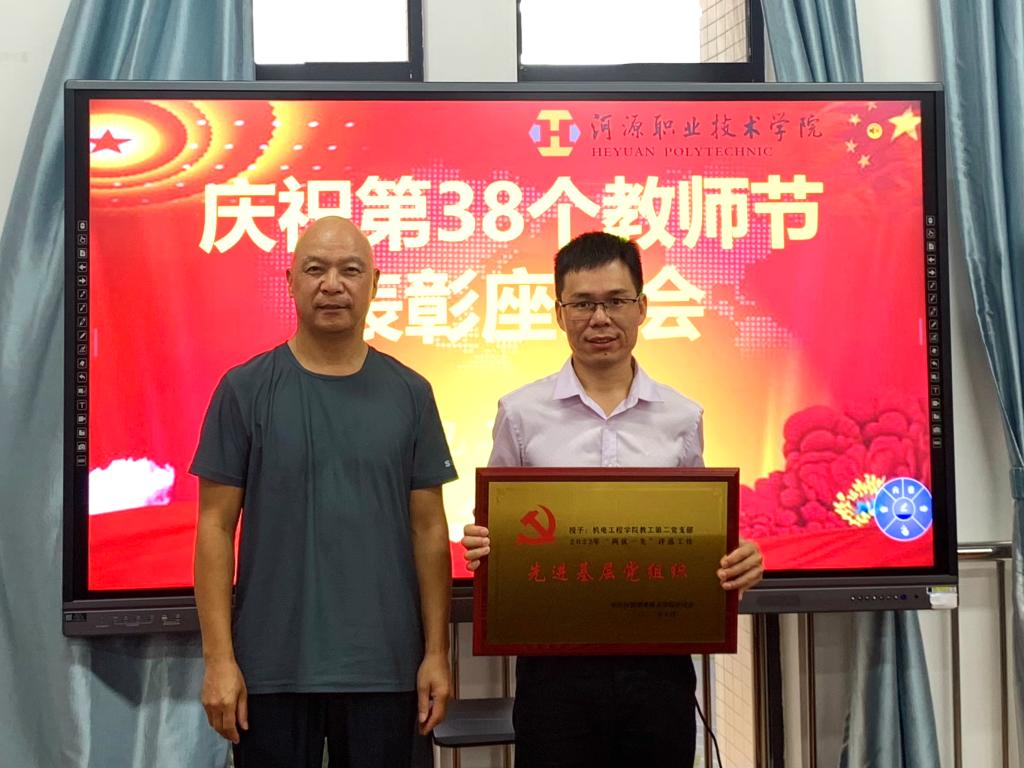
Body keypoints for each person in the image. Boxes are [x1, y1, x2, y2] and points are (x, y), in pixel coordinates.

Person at [462, 231, 764, 768]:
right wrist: (485, 542)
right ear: (559, 314)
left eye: (616, 301)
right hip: (553, 668)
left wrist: (736, 559)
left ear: (641, 307)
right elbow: (497, 523)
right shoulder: (521, 412)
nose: (600, 319)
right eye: (582, 304)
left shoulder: (681, 415)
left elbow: (699, 532)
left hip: (658, 667)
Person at [191, 216, 456, 767]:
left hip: (388, 669)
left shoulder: (411, 393)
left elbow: (429, 529)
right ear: (290, 281)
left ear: (374, 283)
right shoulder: (244, 389)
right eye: (315, 269)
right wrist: (219, 660)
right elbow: (214, 528)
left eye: (350, 271)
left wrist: (437, 652)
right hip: (270, 669)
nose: (332, 284)